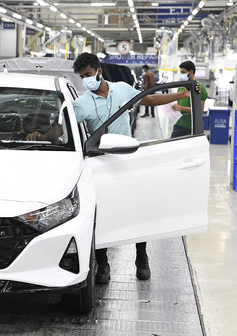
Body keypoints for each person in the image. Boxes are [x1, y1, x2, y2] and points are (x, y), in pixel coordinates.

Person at [27, 52, 195, 284]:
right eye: (82, 76)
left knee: (137, 211)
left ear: (99, 71)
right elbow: (61, 127)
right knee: (100, 215)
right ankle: (103, 264)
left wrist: (182, 93)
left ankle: (141, 258)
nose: (86, 79)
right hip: (100, 162)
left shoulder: (122, 90)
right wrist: (42, 136)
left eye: (89, 74)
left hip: (128, 158)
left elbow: (149, 100)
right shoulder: (82, 103)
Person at [171, 60, 208, 138]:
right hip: (181, 122)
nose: (181, 75)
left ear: (191, 72)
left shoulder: (199, 88)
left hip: (191, 126)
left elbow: (199, 110)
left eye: (183, 72)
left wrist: (180, 108)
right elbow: (178, 105)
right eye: (180, 72)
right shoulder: (181, 87)